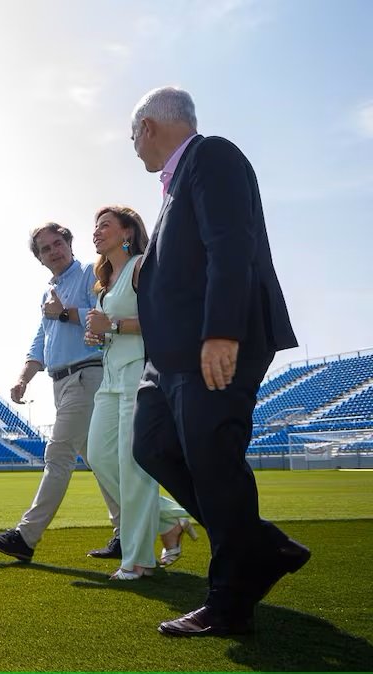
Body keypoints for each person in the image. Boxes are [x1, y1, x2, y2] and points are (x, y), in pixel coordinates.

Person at [127, 86, 308, 637]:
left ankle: (230, 602)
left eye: (132, 135)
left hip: (214, 341)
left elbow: (232, 243)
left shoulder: (213, 156)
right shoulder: (174, 185)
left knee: (212, 458)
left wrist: (222, 331)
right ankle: (262, 545)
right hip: (171, 356)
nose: (133, 147)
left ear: (150, 127)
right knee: (153, 446)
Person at [0, 223, 121, 563]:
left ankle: (25, 537)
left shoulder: (89, 272)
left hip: (88, 374)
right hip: (61, 381)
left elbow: (106, 315)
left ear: (70, 244)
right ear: (40, 259)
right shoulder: (47, 292)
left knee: (58, 455)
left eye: (59, 243)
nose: (55, 251)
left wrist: (64, 313)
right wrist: (24, 378)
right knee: (100, 462)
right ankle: (127, 532)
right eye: (46, 248)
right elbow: (41, 339)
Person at [82, 205, 196, 581]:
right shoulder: (104, 280)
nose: (97, 232)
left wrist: (110, 324)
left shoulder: (142, 266)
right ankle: (170, 518)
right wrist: (99, 334)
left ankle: (138, 561)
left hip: (137, 376)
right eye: (95, 227)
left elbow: (163, 320)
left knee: (132, 468)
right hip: (110, 378)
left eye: (105, 226)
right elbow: (110, 331)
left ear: (127, 232)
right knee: (99, 456)